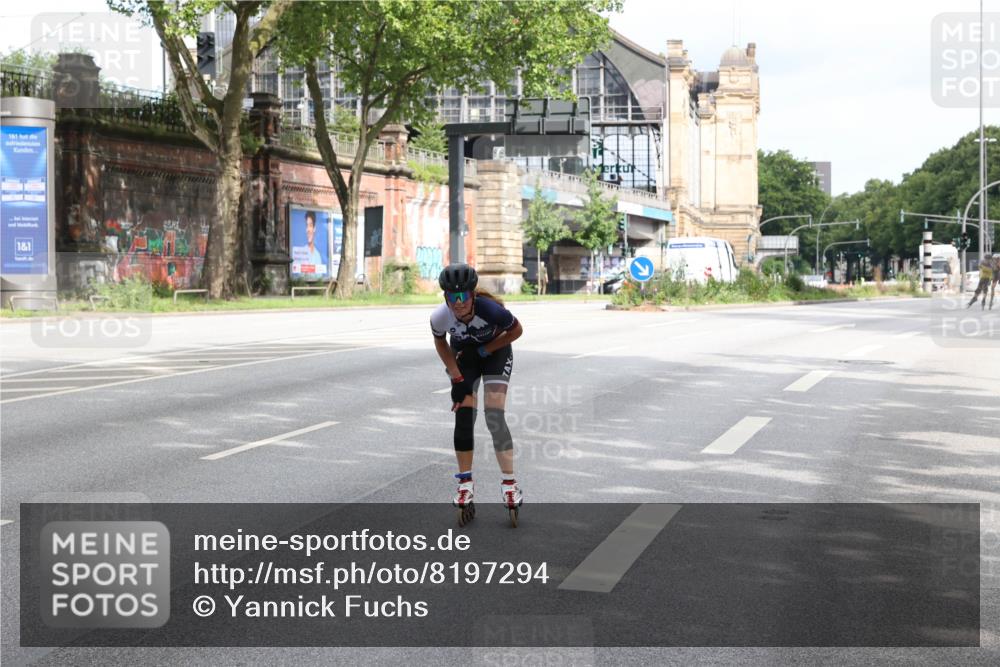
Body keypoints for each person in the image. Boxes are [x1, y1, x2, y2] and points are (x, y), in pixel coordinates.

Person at [430, 263, 525, 526]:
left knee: (494, 416)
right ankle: (465, 484)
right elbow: (440, 342)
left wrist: (484, 350)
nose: (457, 303)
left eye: (462, 297)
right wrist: (456, 378)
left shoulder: (491, 310)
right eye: (451, 297)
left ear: (472, 295)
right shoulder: (440, 317)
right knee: (464, 416)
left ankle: (510, 484)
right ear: (445, 297)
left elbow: (517, 331)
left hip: (496, 352)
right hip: (465, 358)